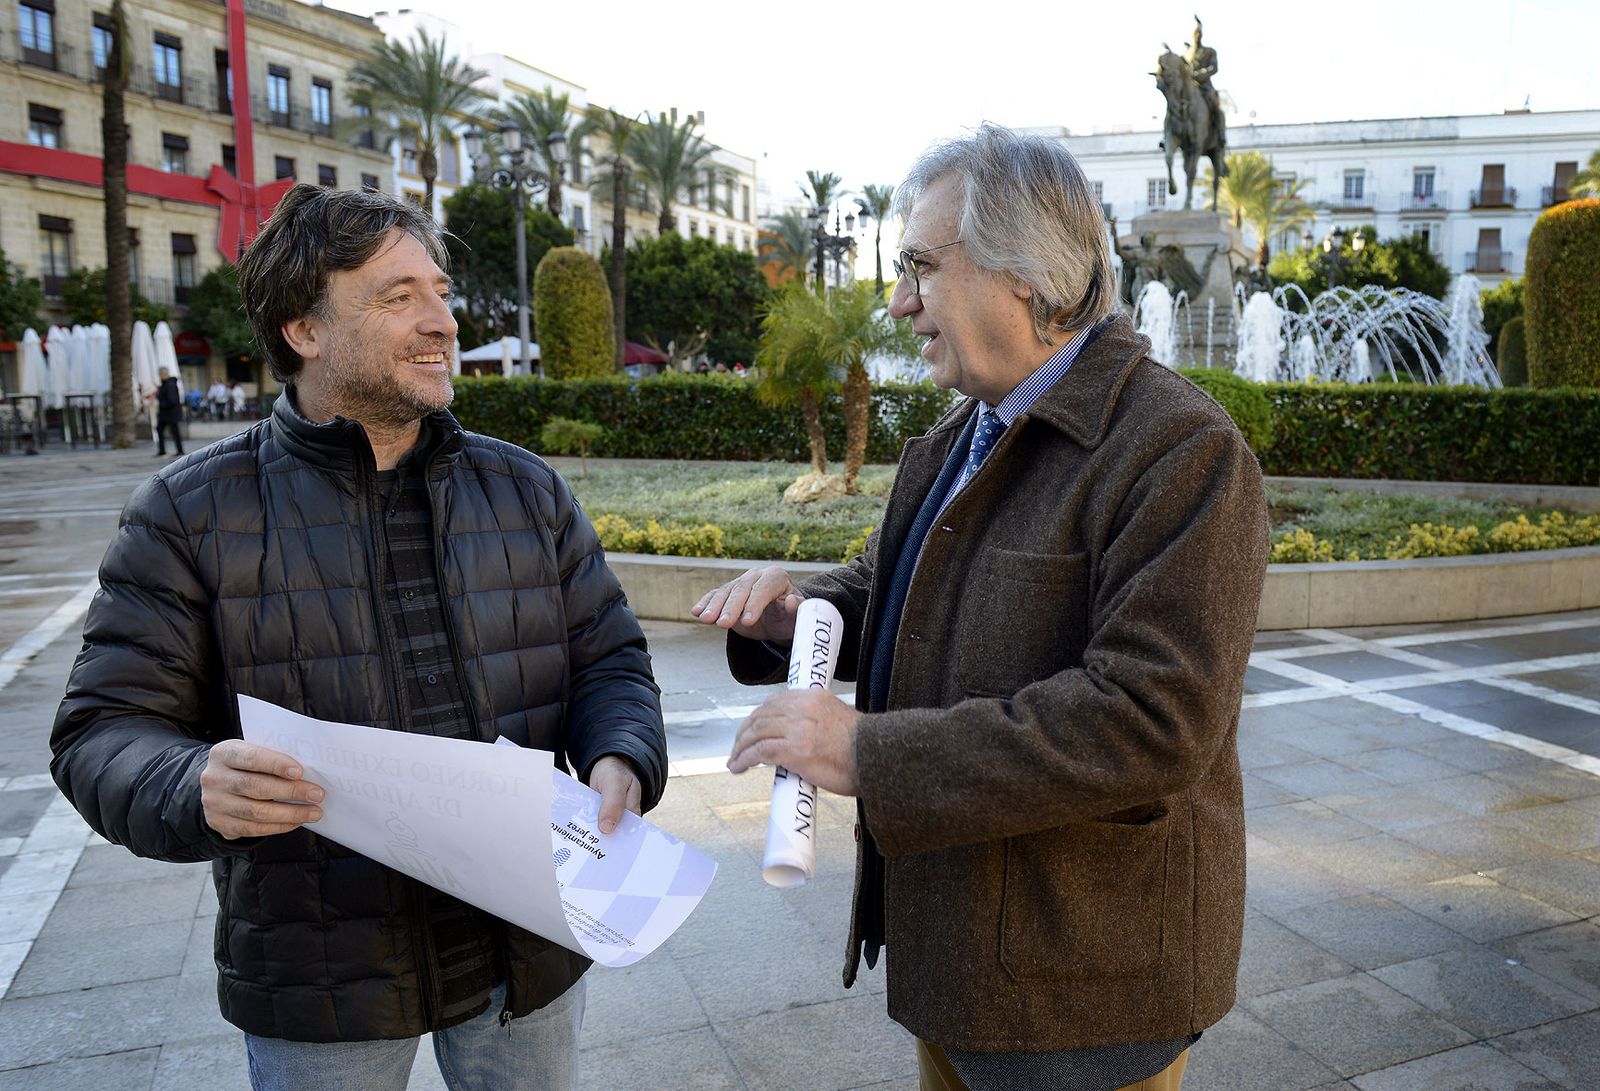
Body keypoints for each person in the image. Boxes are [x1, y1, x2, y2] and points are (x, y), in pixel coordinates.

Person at [51, 184, 667, 1091]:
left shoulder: (528, 492)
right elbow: (99, 729)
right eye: (398, 296)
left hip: (526, 952)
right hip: (320, 980)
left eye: (441, 290)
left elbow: (609, 658)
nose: (442, 322)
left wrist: (621, 752)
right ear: (303, 329)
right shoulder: (188, 512)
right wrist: (192, 783)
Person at [693, 125, 1269, 1091]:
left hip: (1083, 997)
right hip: (957, 968)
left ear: (1027, 278)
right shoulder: (954, 438)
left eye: (919, 265)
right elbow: (892, 592)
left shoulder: (1182, 452)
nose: (899, 299)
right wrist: (801, 618)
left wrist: (866, 751)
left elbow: (1150, 723)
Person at [154, 365, 184, 456]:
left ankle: (179, 450)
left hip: (170, 413)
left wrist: (162, 403)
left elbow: (172, 400)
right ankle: (163, 450)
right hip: (166, 413)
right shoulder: (165, 384)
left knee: (174, 432)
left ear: (163, 374)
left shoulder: (169, 384)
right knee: (162, 430)